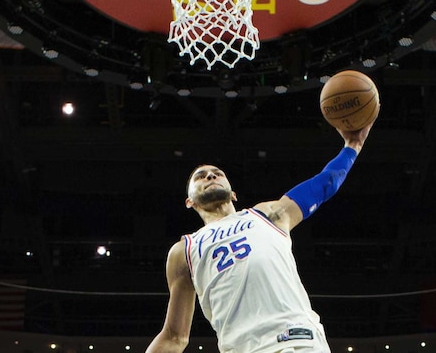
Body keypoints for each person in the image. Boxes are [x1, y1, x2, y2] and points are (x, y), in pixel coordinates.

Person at [146, 122, 374, 353]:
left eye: (217, 173)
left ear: (233, 194)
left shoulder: (268, 215)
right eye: (200, 177)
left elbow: (323, 184)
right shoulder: (184, 250)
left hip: (296, 341)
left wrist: (352, 145)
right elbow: (174, 337)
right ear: (190, 202)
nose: (211, 176)